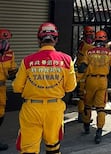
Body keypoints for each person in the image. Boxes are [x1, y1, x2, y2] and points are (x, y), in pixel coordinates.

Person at [12, 22, 77, 154]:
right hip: (54, 109)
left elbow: (17, 87)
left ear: (38, 39)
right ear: (56, 39)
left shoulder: (27, 61)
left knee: (28, 149)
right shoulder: (66, 60)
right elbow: (70, 87)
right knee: (53, 146)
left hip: (31, 109)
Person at [78, 30, 111, 144]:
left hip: (90, 81)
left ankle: (87, 125)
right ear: (105, 39)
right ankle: (99, 131)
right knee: (100, 108)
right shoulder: (110, 53)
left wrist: (77, 80)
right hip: (103, 81)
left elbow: (82, 68)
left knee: (87, 105)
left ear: (95, 39)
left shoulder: (89, 52)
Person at [0, 29, 17, 151]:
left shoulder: (10, 54)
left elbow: (12, 69)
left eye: (6, 40)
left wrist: (15, 74)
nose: (4, 42)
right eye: (2, 40)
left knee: (0, 114)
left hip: (2, 88)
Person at [75, 26, 95, 122]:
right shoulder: (85, 45)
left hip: (83, 71)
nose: (91, 35)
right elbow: (93, 49)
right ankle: (83, 116)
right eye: (90, 33)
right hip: (84, 72)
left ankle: (82, 115)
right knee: (84, 96)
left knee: (82, 96)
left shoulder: (82, 43)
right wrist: (105, 46)